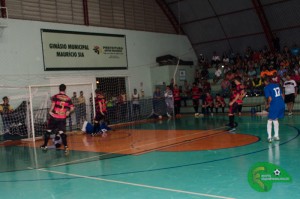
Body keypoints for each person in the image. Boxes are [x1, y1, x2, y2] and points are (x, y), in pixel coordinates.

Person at [40, 84, 74, 153]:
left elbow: (53, 105)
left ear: (59, 89)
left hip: (55, 117)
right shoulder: (68, 98)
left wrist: (50, 111)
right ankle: (66, 147)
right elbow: (72, 108)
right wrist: (68, 112)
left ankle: (45, 145)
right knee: (61, 132)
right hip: (62, 118)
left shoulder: (55, 96)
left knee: (48, 131)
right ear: (65, 89)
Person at [263, 77, 285, 143]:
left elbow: (270, 98)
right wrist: (281, 102)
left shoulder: (266, 88)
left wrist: (268, 105)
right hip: (281, 104)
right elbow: (282, 96)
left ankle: (269, 137)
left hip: (274, 104)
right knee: (275, 119)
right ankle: (276, 136)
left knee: (270, 120)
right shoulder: (276, 85)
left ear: (265, 82)